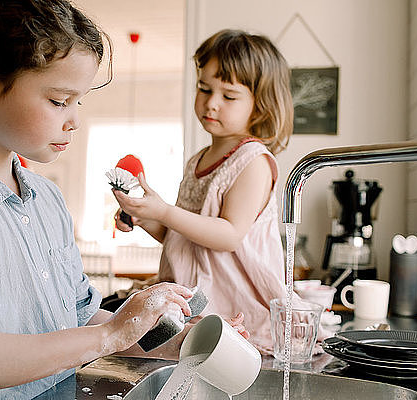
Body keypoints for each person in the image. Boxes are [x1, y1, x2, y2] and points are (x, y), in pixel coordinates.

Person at [0, 2, 249, 398]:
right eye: (59, 100)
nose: (74, 120)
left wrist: (173, 338)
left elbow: (80, 316)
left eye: (78, 102)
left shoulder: (46, 200)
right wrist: (111, 333)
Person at [112, 29, 294, 354]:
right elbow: (183, 238)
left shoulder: (253, 162)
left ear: (260, 105)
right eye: (204, 88)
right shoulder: (197, 161)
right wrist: (144, 216)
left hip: (238, 316)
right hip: (193, 313)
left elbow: (228, 236)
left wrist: (165, 211)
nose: (211, 103)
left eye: (229, 96)